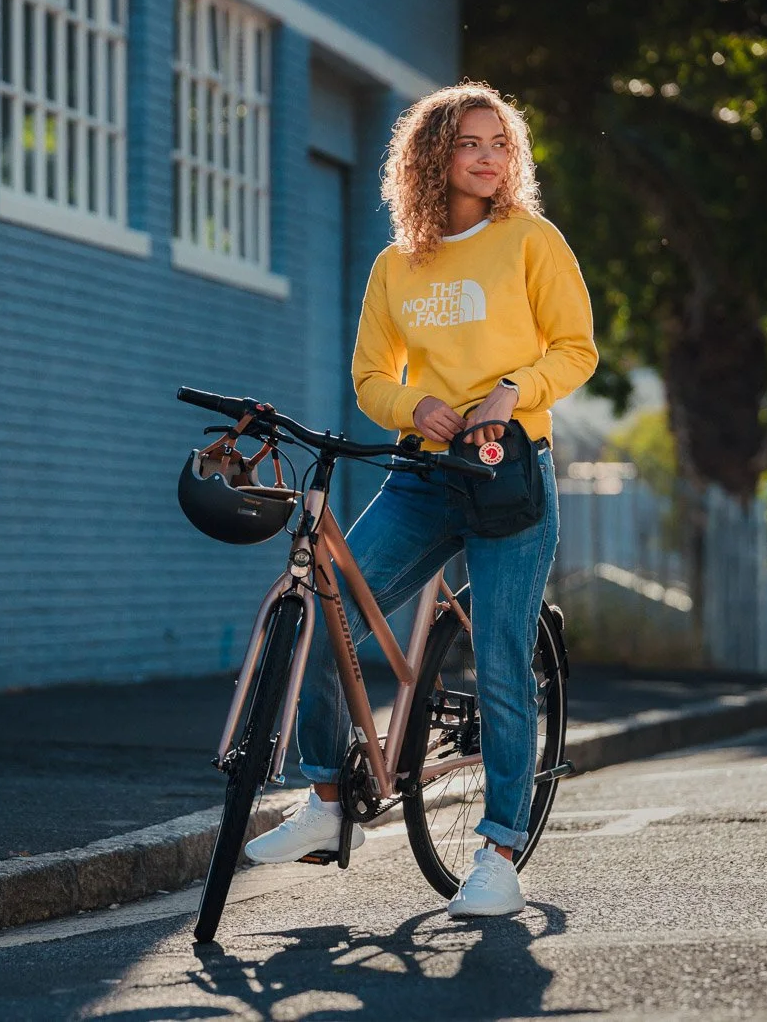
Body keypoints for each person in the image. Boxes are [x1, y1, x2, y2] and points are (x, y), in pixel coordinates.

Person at [243, 82, 598, 918]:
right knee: (332, 615)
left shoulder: (531, 241)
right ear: (430, 155)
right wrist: (413, 407)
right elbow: (371, 376)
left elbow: (577, 348)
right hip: (423, 477)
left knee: (503, 655)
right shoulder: (398, 262)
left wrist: (516, 389)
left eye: (499, 143)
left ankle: (500, 849)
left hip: (510, 476)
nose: (486, 157)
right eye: (469, 142)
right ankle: (328, 801)